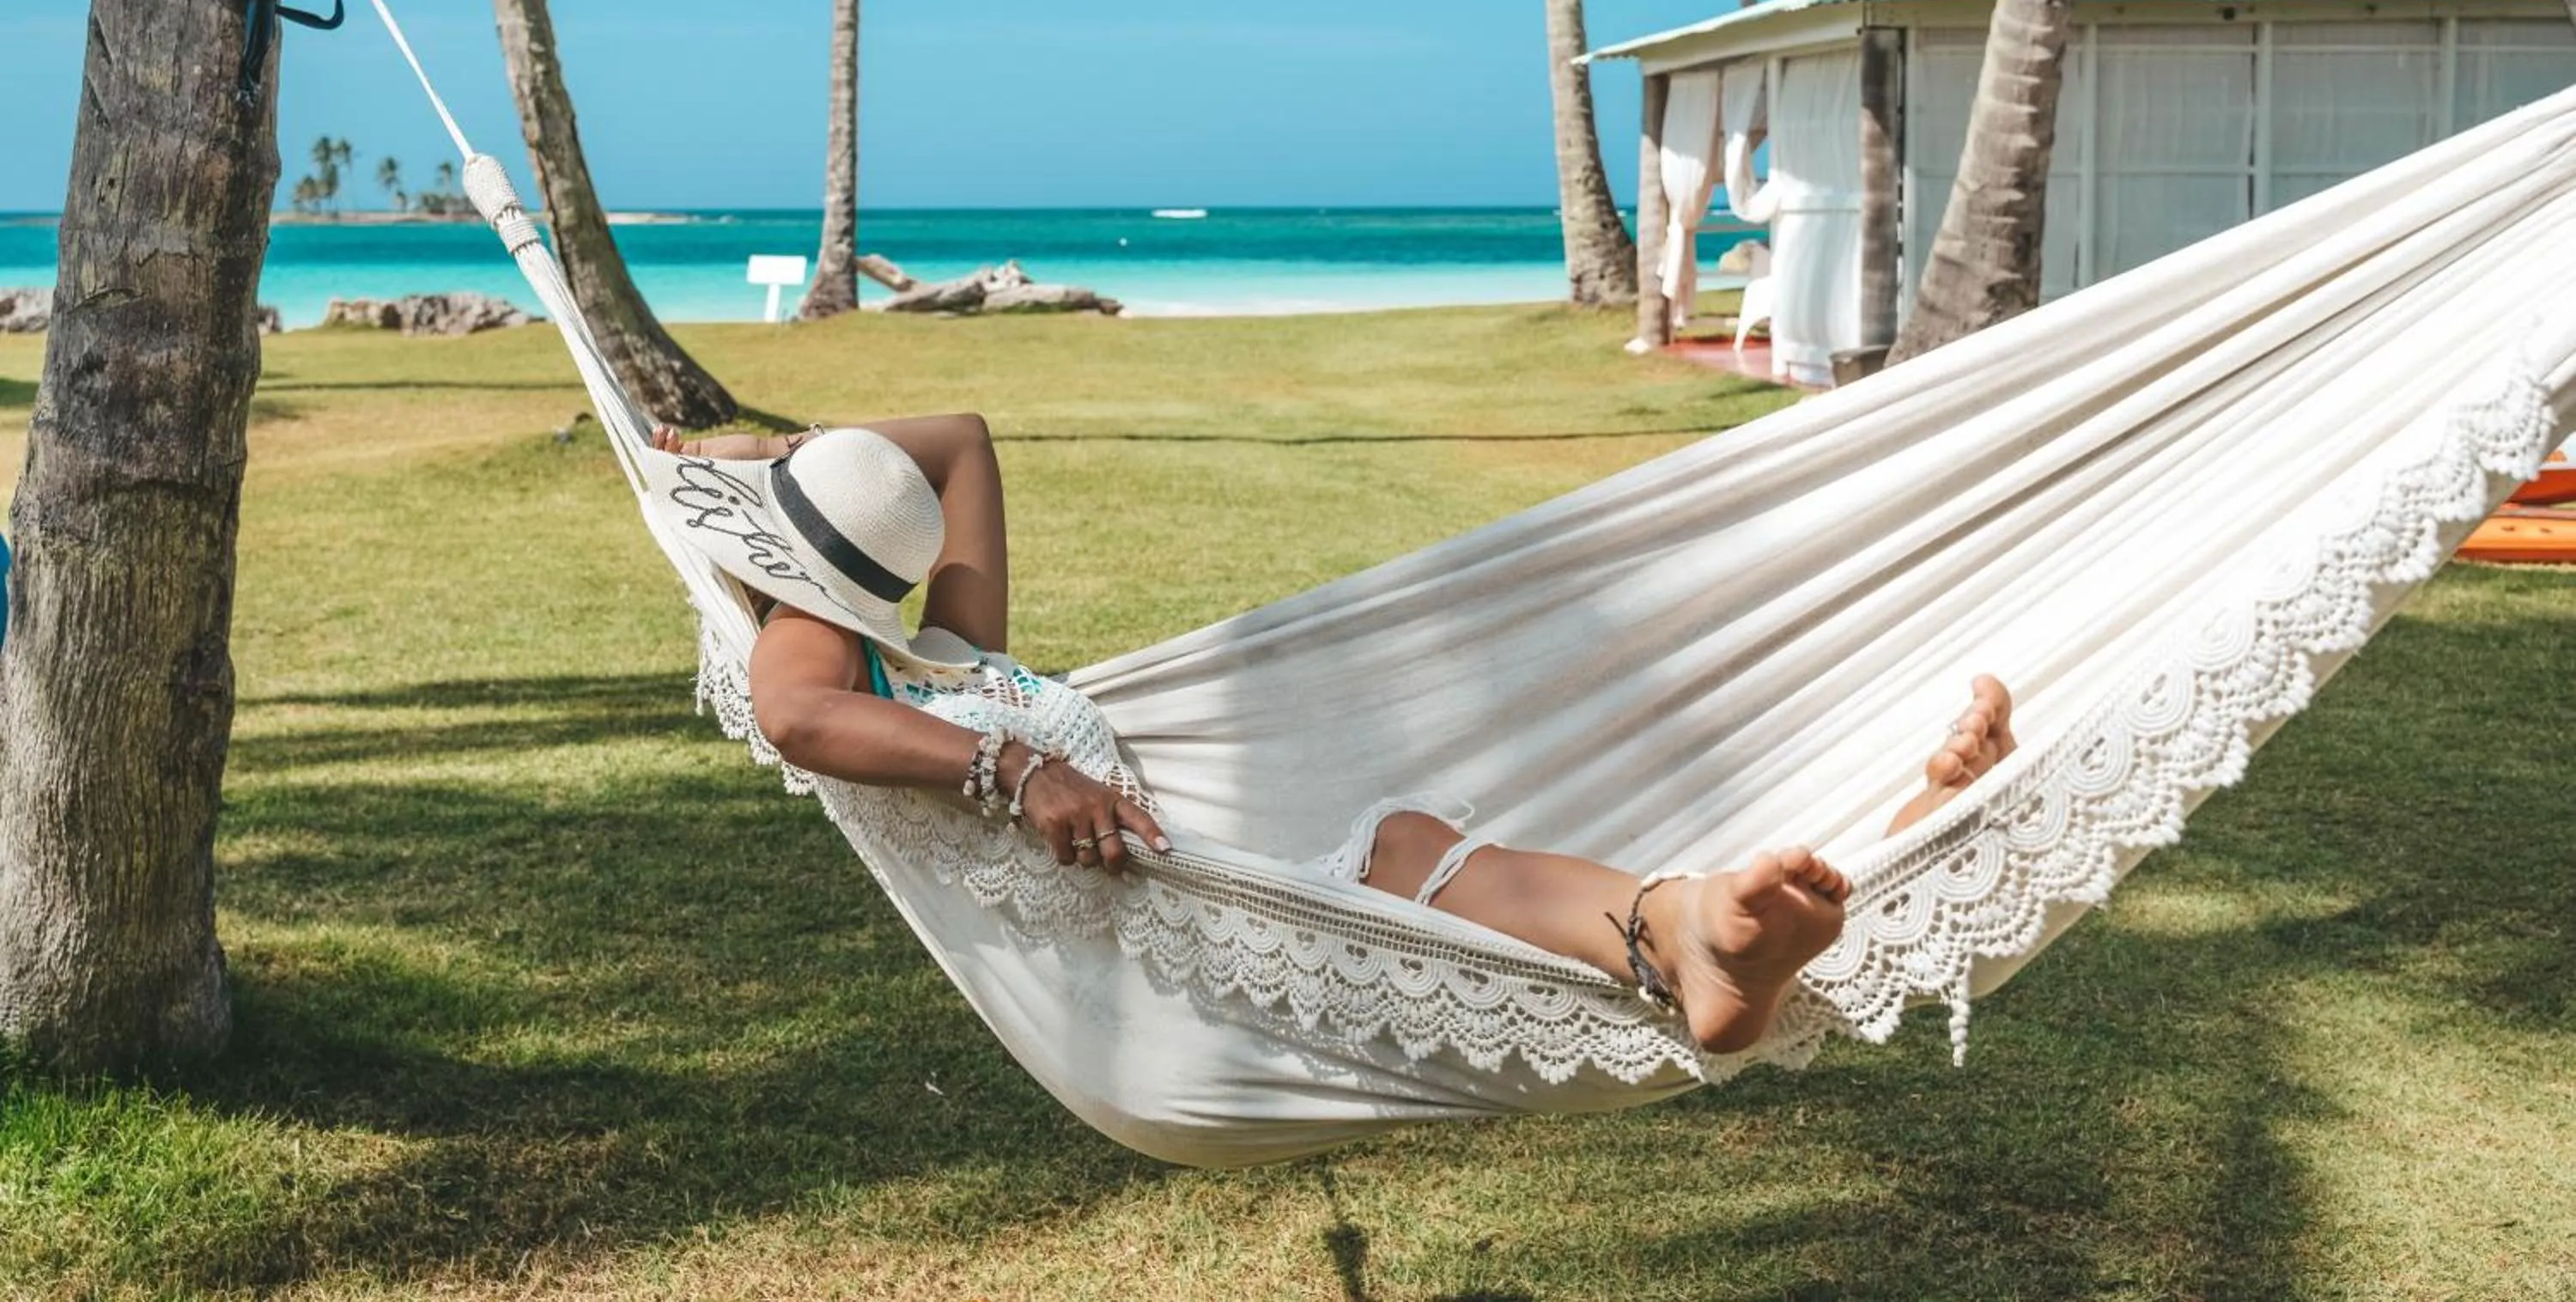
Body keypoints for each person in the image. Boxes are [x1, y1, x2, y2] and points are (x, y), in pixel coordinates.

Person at [644, 414, 2018, 1056]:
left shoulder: (940, 645)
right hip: (1162, 939)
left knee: (1410, 845)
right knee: (1399, 855)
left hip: (1214, 874)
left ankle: (1750, 909)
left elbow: (955, 440)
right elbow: (796, 710)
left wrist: (776, 461)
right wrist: (1017, 763)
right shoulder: (822, 657)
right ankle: (1698, 929)